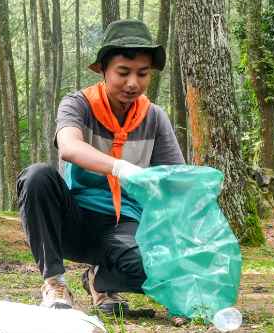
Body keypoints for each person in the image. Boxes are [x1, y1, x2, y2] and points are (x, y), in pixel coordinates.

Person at [16, 19, 185, 315]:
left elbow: (175, 180)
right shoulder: (78, 104)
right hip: (74, 219)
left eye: (142, 73)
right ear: (103, 70)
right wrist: (119, 167)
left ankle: (100, 279)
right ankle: (54, 283)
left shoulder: (154, 117)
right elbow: (69, 147)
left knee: (155, 268)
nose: (133, 83)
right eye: (123, 72)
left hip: (124, 223)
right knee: (37, 177)